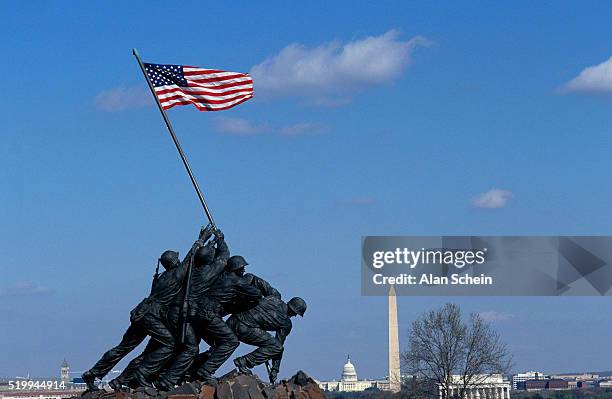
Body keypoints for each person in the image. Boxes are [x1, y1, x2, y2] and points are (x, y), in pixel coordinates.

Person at [81, 228, 208, 391]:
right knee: (169, 344)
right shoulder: (175, 275)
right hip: (151, 315)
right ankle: (143, 374)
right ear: (174, 262)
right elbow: (190, 258)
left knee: (123, 348)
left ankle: (93, 373)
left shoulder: (161, 277)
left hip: (141, 313)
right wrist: (201, 239)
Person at [227, 296, 306, 384]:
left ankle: (209, 355)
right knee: (276, 347)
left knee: (221, 345)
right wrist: (275, 369)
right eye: (296, 313)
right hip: (245, 328)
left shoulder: (273, 298)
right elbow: (278, 347)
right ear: (293, 311)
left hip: (233, 319)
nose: (294, 316)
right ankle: (244, 361)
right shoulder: (286, 323)